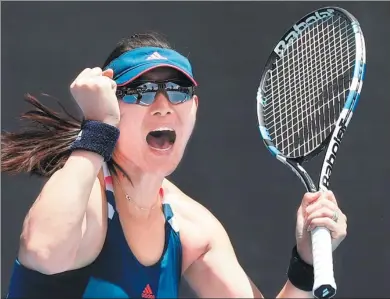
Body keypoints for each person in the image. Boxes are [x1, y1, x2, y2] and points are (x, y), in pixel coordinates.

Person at [2, 32, 347, 298]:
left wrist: (305, 262)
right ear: (109, 105)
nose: (164, 105)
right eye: (141, 91)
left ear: (193, 109)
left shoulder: (192, 227)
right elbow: (42, 251)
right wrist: (96, 132)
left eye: (177, 90)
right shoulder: (86, 193)